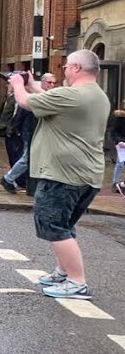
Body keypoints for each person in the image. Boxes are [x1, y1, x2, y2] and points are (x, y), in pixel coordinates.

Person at [7, 49, 111, 300]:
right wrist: (33, 84)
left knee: (52, 224)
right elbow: (50, 98)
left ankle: (77, 282)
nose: (63, 69)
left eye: (66, 66)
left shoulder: (72, 95)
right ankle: (64, 273)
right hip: (86, 174)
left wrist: (18, 84)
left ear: (76, 68)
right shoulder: (96, 95)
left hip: (63, 174)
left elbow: (25, 102)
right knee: (64, 225)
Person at [0, 72, 54, 193]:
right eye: (49, 82)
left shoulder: (50, 95)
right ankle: (10, 179)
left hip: (41, 132)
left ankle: (11, 179)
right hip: (31, 131)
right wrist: (14, 130)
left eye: (53, 83)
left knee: (30, 157)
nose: (52, 85)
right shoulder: (33, 95)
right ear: (43, 82)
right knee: (28, 157)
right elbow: (20, 112)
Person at [0, 86, 21, 167]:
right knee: (11, 156)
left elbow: (16, 115)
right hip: (7, 132)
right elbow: (2, 113)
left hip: (13, 133)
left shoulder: (17, 98)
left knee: (15, 157)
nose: (7, 85)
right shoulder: (8, 97)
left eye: (10, 83)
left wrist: (10, 129)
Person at [111, 103, 125, 196]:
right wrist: (119, 141)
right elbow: (114, 132)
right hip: (121, 144)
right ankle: (115, 183)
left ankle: (121, 184)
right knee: (120, 163)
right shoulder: (120, 118)